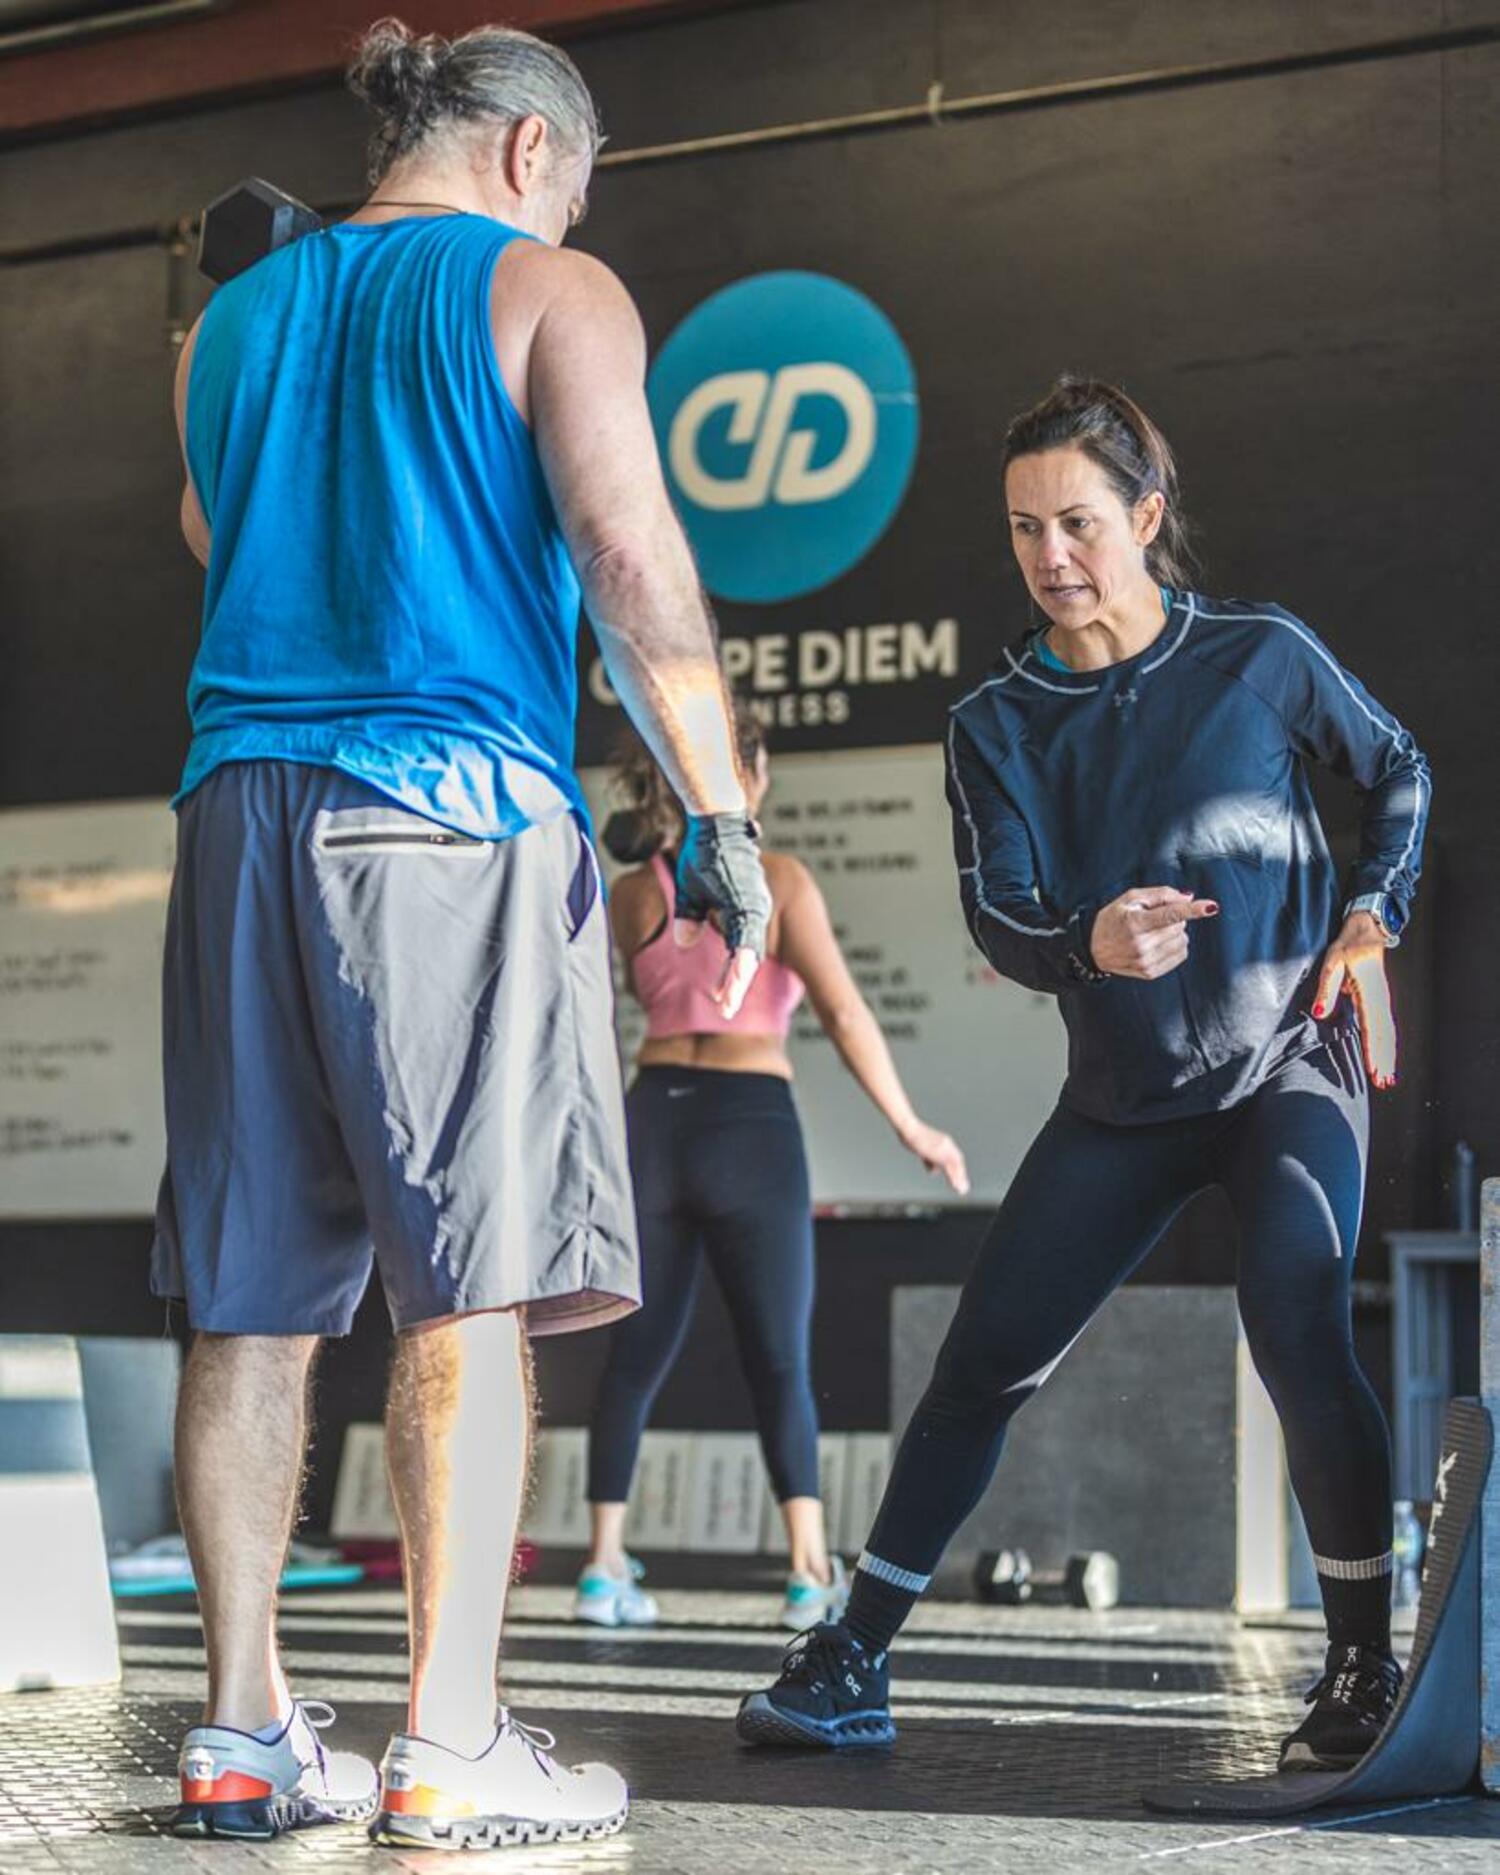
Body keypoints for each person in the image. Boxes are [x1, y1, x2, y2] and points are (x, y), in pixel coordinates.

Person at [155, 17, 770, 1851]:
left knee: (253, 1295)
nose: (576, 211)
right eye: (573, 184)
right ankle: (449, 1733)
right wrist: (719, 803)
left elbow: (213, 528)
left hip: (238, 809)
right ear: (527, 155)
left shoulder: (236, 319)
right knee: (467, 1282)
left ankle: (247, 1731)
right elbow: (629, 546)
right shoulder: (550, 284)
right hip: (444, 807)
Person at [738, 376, 1430, 1774]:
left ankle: (1364, 1660)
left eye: (1079, 521)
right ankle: (852, 1652)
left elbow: (1397, 765)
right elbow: (1001, 917)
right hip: (1123, 1094)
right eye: (1023, 529)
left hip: (1291, 1054)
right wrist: (1086, 941)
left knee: (1295, 1314)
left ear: (1148, 516)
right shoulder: (993, 721)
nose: (1052, 554)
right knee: (982, 1364)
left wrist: (1378, 908)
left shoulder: (1262, 653)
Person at [574, 706, 970, 1631]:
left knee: (634, 1352)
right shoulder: (781, 881)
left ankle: (600, 1568)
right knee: (779, 1358)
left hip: (654, 1124)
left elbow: (592, 1032)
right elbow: (844, 1013)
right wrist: (911, 1125)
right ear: (752, 780)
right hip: (752, 1128)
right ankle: (805, 1573)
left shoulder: (636, 892)